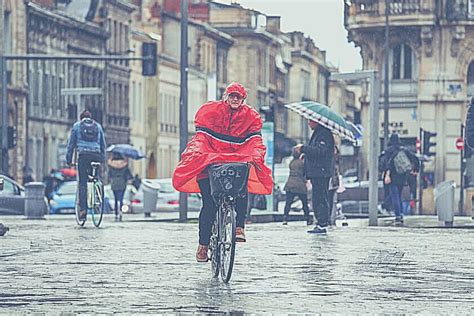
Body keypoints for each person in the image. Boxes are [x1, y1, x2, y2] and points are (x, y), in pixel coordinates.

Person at [172, 82, 273, 262]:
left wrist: (254, 156)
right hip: (209, 165)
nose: (234, 99)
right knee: (209, 205)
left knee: (242, 191)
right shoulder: (211, 112)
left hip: (235, 165)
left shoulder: (250, 117)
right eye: (232, 96)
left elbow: (255, 142)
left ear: (243, 99)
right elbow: (200, 138)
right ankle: (203, 246)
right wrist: (199, 154)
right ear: (225, 96)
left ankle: (239, 227)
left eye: (238, 97)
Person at [295, 119, 335, 234]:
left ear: (317, 122)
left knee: (320, 197)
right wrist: (306, 154)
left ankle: (322, 224)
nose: (308, 123)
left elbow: (320, 151)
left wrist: (303, 148)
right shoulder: (319, 133)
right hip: (317, 172)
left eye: (310, 121)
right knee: (317, 197)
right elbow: (316, 151)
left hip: (320, 172)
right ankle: (320, 223)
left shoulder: (323, 134)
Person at [66, 110, 106, 222]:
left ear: (81, 118)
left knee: (82, 182)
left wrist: (69, 160)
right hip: (96, 155)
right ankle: (98, 195)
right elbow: (103, 144)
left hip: (83, 155)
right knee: (96, 177)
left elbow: (71, 145)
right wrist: (102, 159)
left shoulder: (77, 126)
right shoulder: (98, 126)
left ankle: (83, 210)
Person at [379, 133, 419, 223]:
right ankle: (400, 213)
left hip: (392, 176)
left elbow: (385, 164)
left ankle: (397, 215)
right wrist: (416, 169)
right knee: (399, 195)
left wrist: (386, 174)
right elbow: (415, 158)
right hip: (402, 177)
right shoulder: (403, 150)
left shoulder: (388, 151)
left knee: (395, 196)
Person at [282, 147, 311, 225]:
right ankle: (308, 219)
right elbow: (305, 172)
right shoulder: (302, 163)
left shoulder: (291, 162)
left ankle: (285, 218)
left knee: (288, 203)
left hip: (290, 184)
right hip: (300, 185)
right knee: (304, 203)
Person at [108, 153, 132, 221]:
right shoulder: (124, 165)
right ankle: (120, 211)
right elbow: (128, 175)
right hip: (122, 183)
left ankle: (116, 213)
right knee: (121, 199)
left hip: (114, 183)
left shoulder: (111, 165)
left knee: (116, 199)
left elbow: (109, 175)